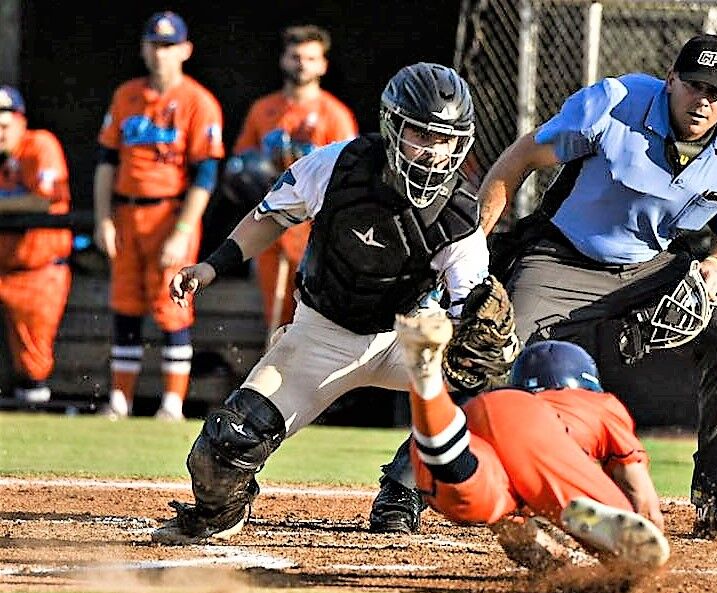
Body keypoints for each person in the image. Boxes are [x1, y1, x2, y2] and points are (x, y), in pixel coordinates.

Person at [150, 62, 488, 544]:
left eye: (447, 140)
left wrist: (477, 344)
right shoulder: (338, 165)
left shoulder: (460, 217)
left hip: (408, 338)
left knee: (491, 385)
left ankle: (404, 485)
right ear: (392, 126)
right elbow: (271, 216)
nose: (434, 153)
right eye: (420, 134)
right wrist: (211, 266)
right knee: (222, 451)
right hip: (322, 333)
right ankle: (225, 512)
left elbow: (470, 315)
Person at [477, 34, 717, 542]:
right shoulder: (614, 102)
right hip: (563, 255)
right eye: (693, 84)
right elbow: (519, 157)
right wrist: (474, 246)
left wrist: (716, 269)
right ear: (670, 79)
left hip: (651, 267)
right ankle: (412, 480)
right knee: (490, 344)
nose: (703, 99)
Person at [395, 311, 669, 570]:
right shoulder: (599, 403)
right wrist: (642, 558)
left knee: (472, 498)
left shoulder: (518, 400)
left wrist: (565, 571)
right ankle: (573, 508)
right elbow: (640, 495)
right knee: (618, 523)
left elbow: (519, 541)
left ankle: (428, 384)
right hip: (533, 423)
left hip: (472, 414)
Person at [93, 11, 225, 422]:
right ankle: (120, 399)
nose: (160, 53)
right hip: (126, 212)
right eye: (154, 44)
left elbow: (206, 173)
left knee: (173, 305)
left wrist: (183, 229)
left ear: (185, 50)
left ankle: (172, 403)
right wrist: (102, 219)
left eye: (169, 46)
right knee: (125, 304)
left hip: (171, 212)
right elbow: (106, 161)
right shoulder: (126, 94)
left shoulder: (198, 101)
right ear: (143, 48)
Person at [229, 24, 358, 331]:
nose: (302, 64)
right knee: (275, 315)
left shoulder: (335, 115)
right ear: (283, 60)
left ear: (324, 65)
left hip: (317, 232)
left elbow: (350, 177)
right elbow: (239, 166)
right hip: (272, 225)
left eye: (311, 58)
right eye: (295, 56)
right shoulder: (263, 110)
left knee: (311, 319)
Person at [0, 86, 72, 404]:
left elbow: (43, 200)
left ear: (20, 122)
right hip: (5, 268)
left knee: (34, 365)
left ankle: (37, 416)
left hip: (39, 270)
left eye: (4, 125)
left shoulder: (40, 144)